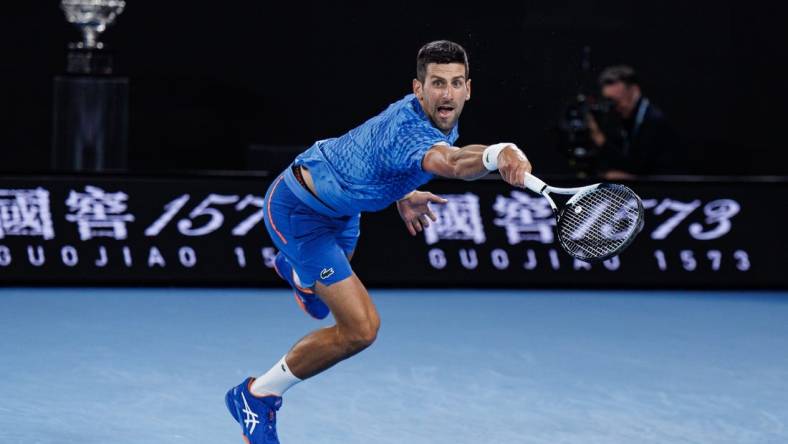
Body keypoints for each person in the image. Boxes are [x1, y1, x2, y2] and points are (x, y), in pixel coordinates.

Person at [224, 40, 533, 443]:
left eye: (456, 83)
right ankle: (257, 395)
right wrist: (499, 152)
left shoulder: (434, 120)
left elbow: (390, 158)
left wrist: (403, 192)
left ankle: (299, 272)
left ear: (468, 89)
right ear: (418, 89)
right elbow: (453, 163)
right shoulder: (409, 129)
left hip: (344, 212)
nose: (447, 93)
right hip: (299, 213)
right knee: (360, 329)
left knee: (318, 305)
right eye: (437, 83)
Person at [587, 65, 680, 179]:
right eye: (610, 101)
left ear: (634, 90)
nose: (616, 107)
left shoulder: (653, 120)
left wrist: (600, 140)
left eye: (619, 99)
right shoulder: (619, 118)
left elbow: (641, 167)